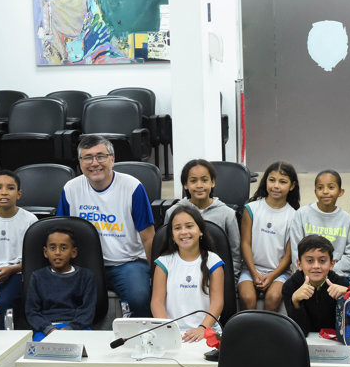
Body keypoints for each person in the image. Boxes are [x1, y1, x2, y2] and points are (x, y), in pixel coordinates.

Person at [57, 135, 155, 317]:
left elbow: (148, 237)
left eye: (100, 156)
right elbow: (60, 233)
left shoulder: (132, 187)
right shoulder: (70, 188)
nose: (94, 163)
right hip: (87, 264)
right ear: (80, 162)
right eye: (87, 157)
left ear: (112, 159)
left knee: (139, 298)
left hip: (128, 262)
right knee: (67, 299)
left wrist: (155, 275)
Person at [151, 205, 225, 342]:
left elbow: (217, 302)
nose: (184, 232)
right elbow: (157, 302)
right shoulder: (163, 263)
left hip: (206, 330)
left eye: (189, 226)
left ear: (200, 231)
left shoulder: (214, 262)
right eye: (177, 228)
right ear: (172, 235)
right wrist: (169, 329)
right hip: (171, 331)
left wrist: (202, 328)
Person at [0, 170, 38, 329]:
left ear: (19, 193)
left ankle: (5, 338)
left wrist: (12, 269)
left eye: (10, 188)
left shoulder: (30, 220)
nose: (4, 192)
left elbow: (33, 260)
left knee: (4, 302)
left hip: (18, 272)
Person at [238, 160, 299, 312]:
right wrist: (253, 272)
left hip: (279, 273)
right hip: (250, 269)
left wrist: (271, 276)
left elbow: (288, 255)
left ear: (292, 186)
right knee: (247, 298)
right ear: (265, 182)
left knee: (273, 297)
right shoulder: (251, 209)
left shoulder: (294, 216)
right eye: (272, 180)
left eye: (282, 182)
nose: (276, 186)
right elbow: (245, 243)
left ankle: (267, 333)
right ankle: (249, 333)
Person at [166, 158, 242, 276]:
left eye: (204, 180)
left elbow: (235, 254)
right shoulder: (172, 213)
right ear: (185, 185)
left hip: (217, 275)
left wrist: (232, 280)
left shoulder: (227, 214)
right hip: (181, 275)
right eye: (193, 181)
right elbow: (168, 249)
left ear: (213, 182)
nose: (199, 185)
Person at [25, 227, 97, 337]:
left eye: (63, 248)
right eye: (52, 248)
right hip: (46, 328)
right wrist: (48, 329)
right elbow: (32, 311)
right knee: (40, 352)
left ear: (73, 252)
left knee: (88, 351)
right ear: (45, 252)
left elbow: (87, 311)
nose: (57, 253)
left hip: (77, 327)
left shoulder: (86, 276)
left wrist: (70, 328)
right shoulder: (37, 276)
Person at [288, 169, 350, 277]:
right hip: (306, 275)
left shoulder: (346, 220)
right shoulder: (301, 215)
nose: (325, 191)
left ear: (340, 192)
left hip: (336, 276)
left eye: (331, 187)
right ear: (315, 191)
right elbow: (296, 251)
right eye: (320, 188)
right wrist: (310, 272)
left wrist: (327, 272)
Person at [282, 234, 349, 333]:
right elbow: (300, 332)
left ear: (332, 264)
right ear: (299, 264)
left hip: (334, 342)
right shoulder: (290, 287)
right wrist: (295, 302)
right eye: (309, 261)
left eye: (322, 261)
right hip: (305, 343)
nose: (316, 266)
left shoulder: (341, 284)